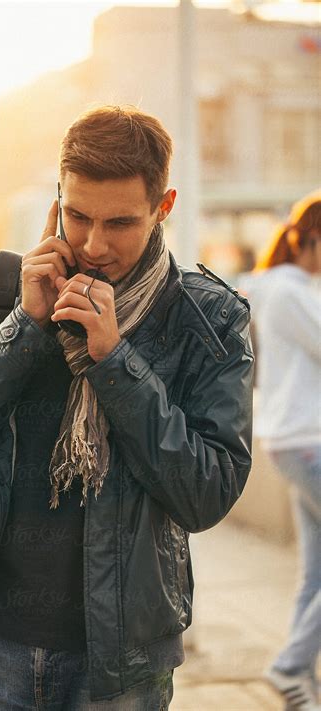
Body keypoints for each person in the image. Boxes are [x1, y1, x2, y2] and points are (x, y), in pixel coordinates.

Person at [0, 105, 254, 710]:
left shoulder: (208, 320)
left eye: (119, 222)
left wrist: (116, 362)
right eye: (77, 216)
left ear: (163, 207)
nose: (93, 245)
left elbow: (208, 493)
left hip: (122, 667)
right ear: (57, 197)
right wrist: (22, 328)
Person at [240, 192, 321, 711]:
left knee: (315, 570)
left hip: (295, 439)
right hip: (307, 441)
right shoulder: (290, 293)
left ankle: (297, 676)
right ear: (311, 241)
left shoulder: (287, 290)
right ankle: (290, 665)